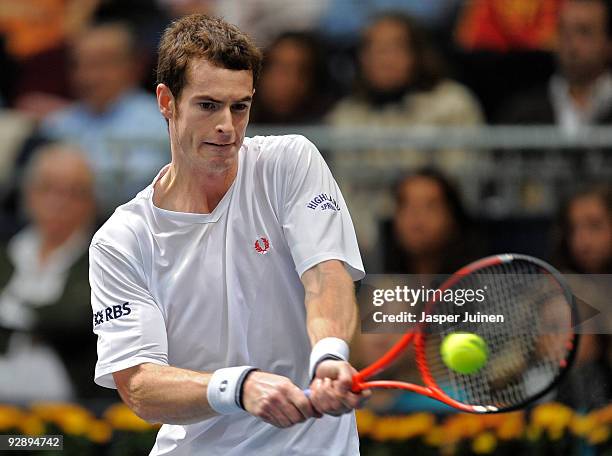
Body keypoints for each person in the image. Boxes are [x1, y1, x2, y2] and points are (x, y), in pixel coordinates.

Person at [89, 14, 369, 455]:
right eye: (208, 105)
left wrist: (330, 354)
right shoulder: (121, 240)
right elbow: (139, 385)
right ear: (166, 101)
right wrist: (238, 387)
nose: (228, 125)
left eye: (240, 106)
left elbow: (326, 276)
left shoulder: (290, 162)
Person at [326, 13, 484, 255]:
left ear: (417, 54)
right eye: (374, 49)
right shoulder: (344, 116)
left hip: (446, 239)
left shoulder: (454, 104)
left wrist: (419, 221)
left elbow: (463, 181)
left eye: (395, 47)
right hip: (367, 245)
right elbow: (342, 193)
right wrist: (370, 244)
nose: (384, 58)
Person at [0, 143, 108, 402]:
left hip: (74, 413)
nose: (58, 202)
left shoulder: (105, 259)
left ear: (91, 202)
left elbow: (76, 317)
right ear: (28, 194)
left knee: (37, 444)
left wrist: (17, 313)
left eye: (73, 192)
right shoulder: (8, 252)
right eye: (47, 188)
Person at [38, 21, 168, 214]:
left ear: (133, 67)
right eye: (80, 65)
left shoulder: (161, 124)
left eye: (101, 64)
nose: (88, 76)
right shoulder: (56, 126)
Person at [551, 185, 612, 409]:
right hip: (576, 416)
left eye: (595, 226)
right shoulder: (559, 288)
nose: (582, 240)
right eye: (573, 229)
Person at [249, 31, 334, 125]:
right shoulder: (236, 120)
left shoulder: (332, 124)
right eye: (280, 69)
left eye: (302, 71)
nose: (290, 82)